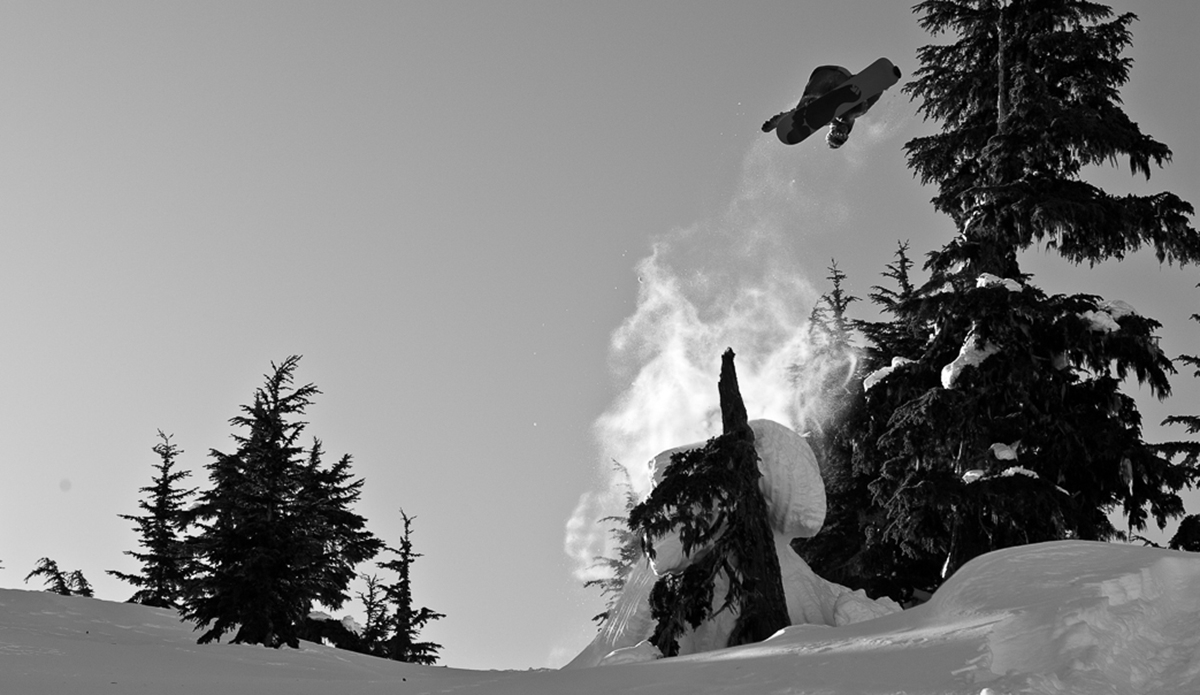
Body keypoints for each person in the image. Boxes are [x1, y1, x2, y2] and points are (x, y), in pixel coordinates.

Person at [762, 65, 882, 149]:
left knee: (841, 113)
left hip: (828, 76)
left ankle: (790, 114)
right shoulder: (847, 114)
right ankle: (839, 129)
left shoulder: (826, 115)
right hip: (832, 77)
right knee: (851, 112)